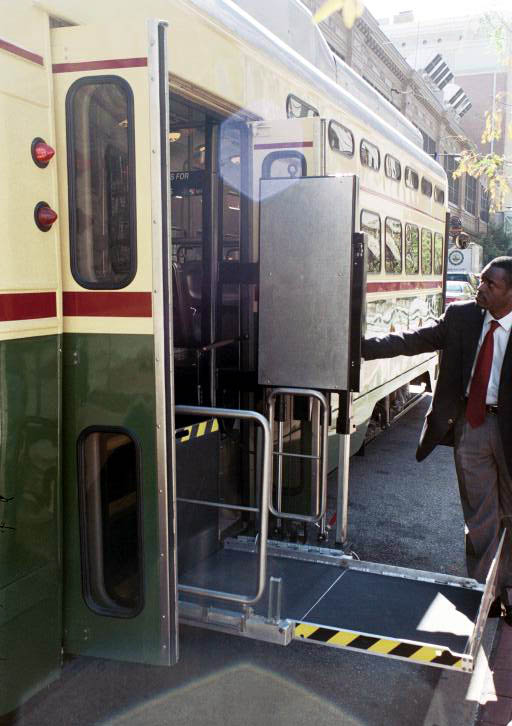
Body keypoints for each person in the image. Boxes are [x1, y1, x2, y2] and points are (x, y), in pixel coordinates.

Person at [362, 256, 512, 623]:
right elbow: (414, 340)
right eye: (481, 280)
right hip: (472, 426)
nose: (481, 288)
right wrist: (360, 346)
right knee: (480, 515)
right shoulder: (461, 317)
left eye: (490, 284)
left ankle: (508, 587)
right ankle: (487, 593)